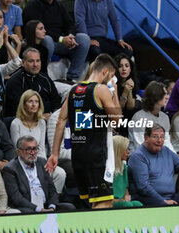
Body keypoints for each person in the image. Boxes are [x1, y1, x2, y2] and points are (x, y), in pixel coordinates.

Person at [46, 53, 122, 208]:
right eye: (112, 76)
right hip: (97, 156)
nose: (111, 79)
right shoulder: (101, 90)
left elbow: (61, 121)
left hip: (78, 156)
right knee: (105, 202)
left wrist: (54, 154)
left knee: (92, 202)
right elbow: (117, 120)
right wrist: (114, 92)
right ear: (105, 72)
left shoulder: (73, 90)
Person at [128, 124, 179, 206]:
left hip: (170, 197)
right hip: (148, 199)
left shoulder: (166, 151)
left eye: (162, 137)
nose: (159, 140)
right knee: (165, 206)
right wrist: (162, 201)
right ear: (146, 137)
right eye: (155, 137)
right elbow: (143, 187)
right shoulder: (138, 156)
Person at [10, 89, 66, 194]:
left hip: (39, 161)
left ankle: (53, 200)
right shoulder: (16, 123)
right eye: (30, 101)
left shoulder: (41, 122)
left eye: (36, 102)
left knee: (60, 173)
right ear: (24, 104)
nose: (34, 104)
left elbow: (41, 148)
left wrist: (43, 164)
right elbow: (18, 150)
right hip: (23, 163)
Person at [2, 135, 75, 213]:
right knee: (28, 212)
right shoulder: (10, 169)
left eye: (35, 149)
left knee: (69, 208)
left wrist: (52, 207)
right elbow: (16, 198)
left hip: (46, 205)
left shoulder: (42, 162)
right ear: (19, 152)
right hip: (28, 208)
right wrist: (38, 209)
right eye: (28, 149)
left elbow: (52, 189)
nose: (33, 153)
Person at [22, 0, 90, 81]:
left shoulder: (59, 5)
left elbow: (70, 24)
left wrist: (70, 37)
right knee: (47, 39)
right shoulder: (33, 5)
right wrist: (61, 39)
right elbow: (39, 30)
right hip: (44, 42)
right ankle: (41, 75)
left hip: (61, 42)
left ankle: (72, 78)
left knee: (84, 38)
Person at [5, 47, 61, 118]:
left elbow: (56, 103)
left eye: (38, 61)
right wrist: (39, 116)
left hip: (47, 118)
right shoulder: (15, 81)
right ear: (23, 62)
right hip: (23, 120)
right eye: (31, 61)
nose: (35, 65)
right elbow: (17, 109)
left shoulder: (45, 79)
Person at [129, 81, 174, 153]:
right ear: (155, 96)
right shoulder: (139, 117)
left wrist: (174, 156)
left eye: (167, 94)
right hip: (141, 157)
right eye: (164, 94)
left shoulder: (165, 117)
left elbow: (166, 142)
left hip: (160, 155)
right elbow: (140, 145)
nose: (167, 97)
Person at [113, 53, 140, 136]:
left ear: (130, 69)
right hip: (114, 119)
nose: (124, 69)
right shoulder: (112, 84)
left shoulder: (132, 82)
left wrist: (129, 90)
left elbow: (130, 107)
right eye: (120, 66)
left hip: (127, 120)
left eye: (127, 66)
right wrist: (125, 91)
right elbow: (116, 112)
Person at [112, 135, 143, 208]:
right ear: (118, 150)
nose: (128, 151)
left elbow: (126, 191)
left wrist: (126, 198)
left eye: (128, 148)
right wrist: (122, 201)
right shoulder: (108, 169)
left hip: (122, 201)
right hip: (110, 202)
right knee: (127, 205)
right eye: (125, 149)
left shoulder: (124, 166)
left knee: (138, 204)